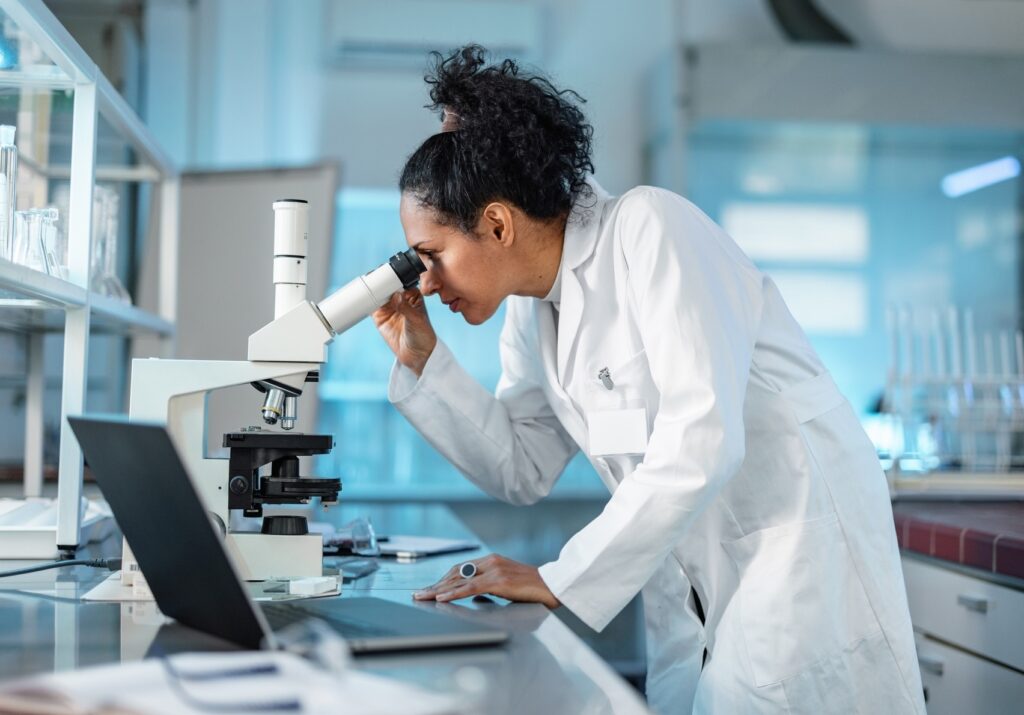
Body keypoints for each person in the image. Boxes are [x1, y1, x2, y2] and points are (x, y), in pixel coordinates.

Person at [372, 45, 925, 714]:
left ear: (497, 222)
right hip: (697, 589)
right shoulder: (532, 308)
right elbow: (522, 465)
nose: (425, 282)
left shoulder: (652, 229)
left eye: (432, 256)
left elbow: (702, 440)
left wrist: (558, 578)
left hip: (794, 566)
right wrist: (422, 358)